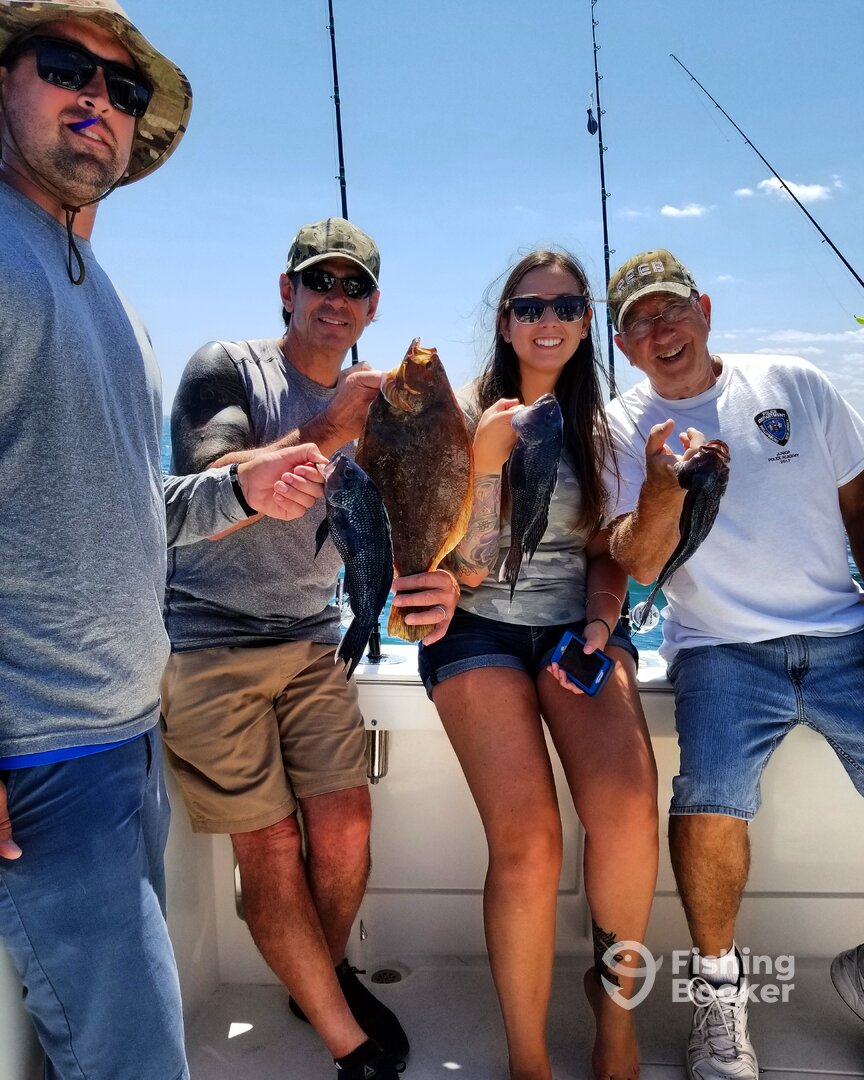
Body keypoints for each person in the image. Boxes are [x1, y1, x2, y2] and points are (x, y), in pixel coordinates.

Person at [0, 3, 328, 1078]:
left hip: (124, 729)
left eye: (123, 88)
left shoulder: (103, 294)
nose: (97, 99)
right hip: (43, 751)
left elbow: (130, 508)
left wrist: (239, 490)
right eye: (65, 68)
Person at [161, 217, 460, 1080]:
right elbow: (209, 491)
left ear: (374, 306)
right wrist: (329, 426)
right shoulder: (227, 367)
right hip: (207, 641)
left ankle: (316, 983)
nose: (336, 297)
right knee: (269, 847)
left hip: (313, 639)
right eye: (319, 281)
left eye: (353, 286)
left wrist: (442, 583)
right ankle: (347, 1044)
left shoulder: (387, 415)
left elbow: (421, 513)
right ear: (286, 290)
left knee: (345, 826)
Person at [605, 248, 864, 1079]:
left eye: (671, 308)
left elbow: (859, 505)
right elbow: (639, 565)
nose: (661, 330)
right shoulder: (621, 424)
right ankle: (720, 997)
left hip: (846, 634)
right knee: (710, 798)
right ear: (624, 347)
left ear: (705, 309)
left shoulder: (796, 383)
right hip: (718, 647)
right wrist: (661, 488)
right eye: (639, 323)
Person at [418, 249, 660, 1080]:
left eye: (565, 306)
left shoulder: (609, 429)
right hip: (474, 628)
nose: (547, 321)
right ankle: (529, 1060)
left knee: (627, 810)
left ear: (588, 322)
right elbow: (467, 569)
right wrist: (485, 463)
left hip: (575, 630)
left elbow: (608, 553)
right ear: (505, 321)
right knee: (528, 841)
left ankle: (615, 1019)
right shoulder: (459, 415)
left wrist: (599, 623)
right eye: (529, 307)